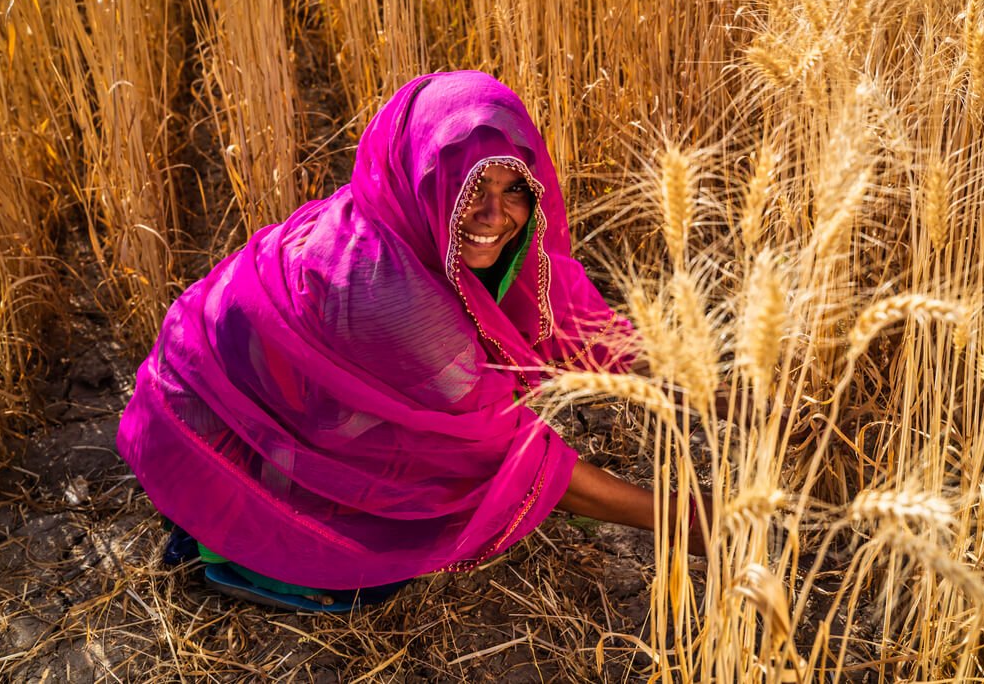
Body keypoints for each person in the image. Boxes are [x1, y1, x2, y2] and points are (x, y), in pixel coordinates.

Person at [117, 71, 700, 612]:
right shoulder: (391, 296)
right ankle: (229, 549)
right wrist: (684, 520)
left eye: (514, 189)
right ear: (423, 175)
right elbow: (512, 455)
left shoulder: (400, 210)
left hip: (270, 397)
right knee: (393, 535)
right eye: (469, 185)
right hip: (210, 436)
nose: (494, 215)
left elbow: (583, 330)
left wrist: (721, 394)